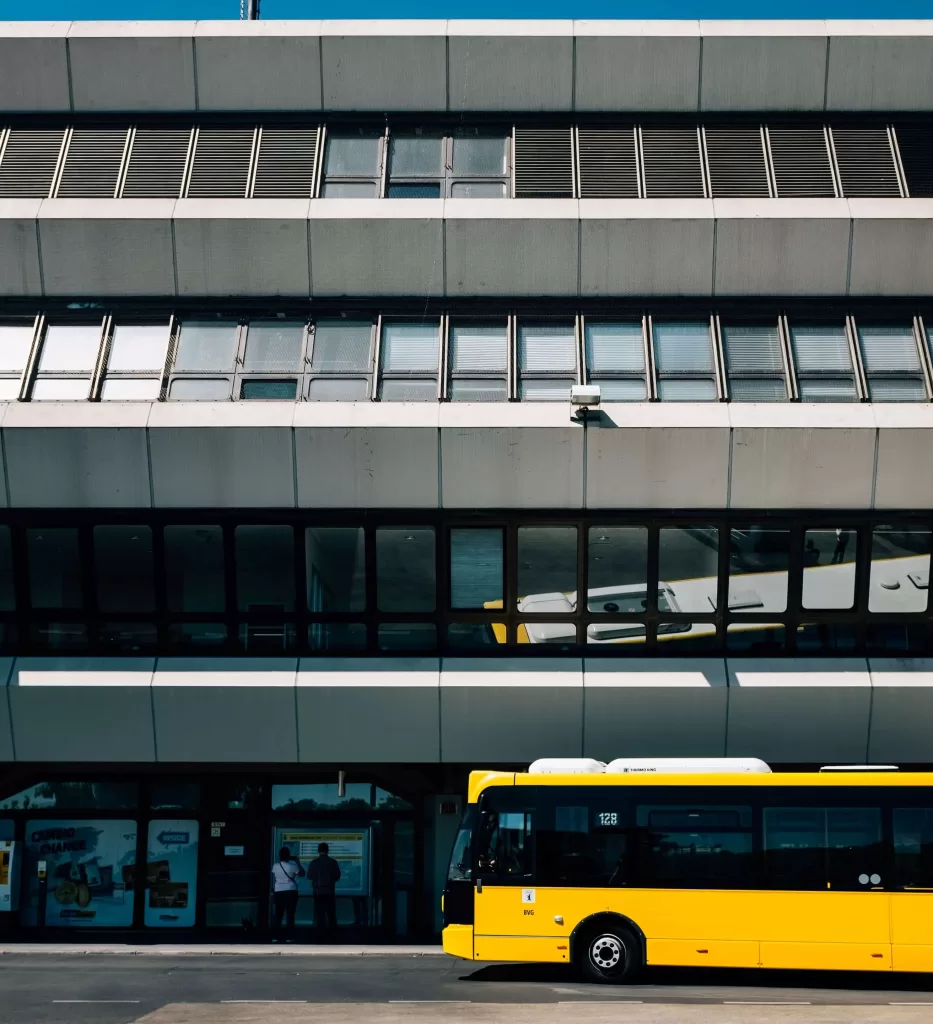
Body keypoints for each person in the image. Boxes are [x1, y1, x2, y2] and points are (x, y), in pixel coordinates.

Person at [307, 842, 341, 939]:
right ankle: (332, 934)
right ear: (327, 850)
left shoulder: (314, 863)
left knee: (319, 914)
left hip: (318, 892)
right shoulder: (333, 862)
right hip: (330, 891)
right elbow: (337, 876)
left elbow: (309, 876)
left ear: (318, 851)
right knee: (331, 913)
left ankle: (320, 934)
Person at [271, 846, 304, 942]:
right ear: (288, 856)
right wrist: (297, 861)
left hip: (278, 891)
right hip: (290, 891)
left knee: (278, 914)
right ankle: (289, 936)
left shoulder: (275, 866)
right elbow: (302, 873)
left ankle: (275, 937)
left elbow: (275, 876)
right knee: (290, 914)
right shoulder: (292, 866)